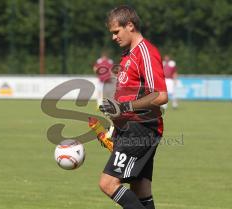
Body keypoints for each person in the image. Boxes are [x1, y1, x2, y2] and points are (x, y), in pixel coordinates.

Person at [98, 5, 168, 209]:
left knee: (108, 183)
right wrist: (115, 127)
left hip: (142, 128)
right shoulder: (127, 55)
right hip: (131, 129)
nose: (113, 37)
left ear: (130, 25)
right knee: (140, 188)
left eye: (116, 32)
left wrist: (125, 106)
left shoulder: (145, 52)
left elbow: (161, 95)